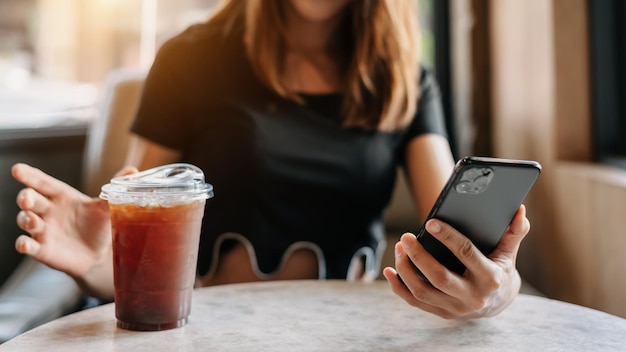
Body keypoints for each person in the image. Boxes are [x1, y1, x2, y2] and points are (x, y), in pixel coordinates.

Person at [11, 0, 530, 319]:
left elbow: (454, 245)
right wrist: (103, 261)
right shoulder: (189, 58)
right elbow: (135, 243)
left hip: (344, 333)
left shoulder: (407, 80)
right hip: (205, 329)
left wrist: (497, 288)